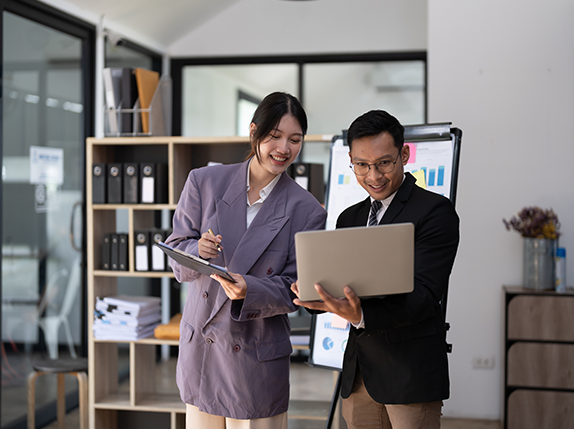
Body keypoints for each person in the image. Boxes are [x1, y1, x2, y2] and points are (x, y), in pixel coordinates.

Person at [164, 91, 327, 428]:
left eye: (295, 140)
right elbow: (177, 252)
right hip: (204, 353)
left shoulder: (307, 210)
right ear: (254, 132)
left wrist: (248, 289)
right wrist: (198, 251)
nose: (284, 148)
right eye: (274, 136)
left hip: (256, 356)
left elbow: (295, 290)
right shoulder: (204, 182)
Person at [292, 110, 460, 429]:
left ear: (405, 154)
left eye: (384, 162)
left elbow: (424, 297)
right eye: (362, 165)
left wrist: (359, 316)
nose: (374, 175)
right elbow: (346, 285)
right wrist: (315, 295)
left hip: (410, 373)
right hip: (360, 376)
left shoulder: (435, 212)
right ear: (351, 161)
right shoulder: (350, 218)